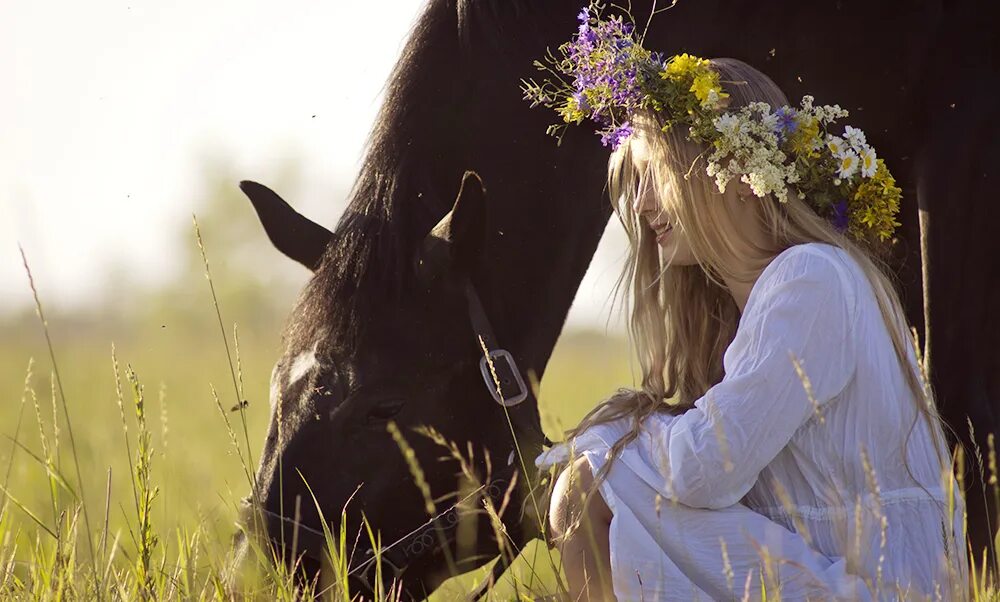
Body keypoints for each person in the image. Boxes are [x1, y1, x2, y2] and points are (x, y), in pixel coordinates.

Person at [523, 12, 968, 601]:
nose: (643, 202)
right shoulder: (761, 299)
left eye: (656, 173)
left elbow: (705, 469)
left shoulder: (810, 278)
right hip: (842, 572)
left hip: (883, 587)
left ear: (730, 173)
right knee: (592, 483)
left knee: (590, 484)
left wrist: (613, 435)